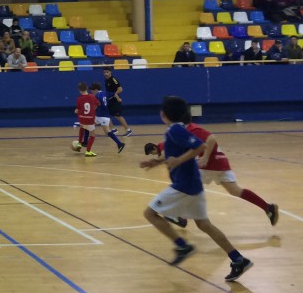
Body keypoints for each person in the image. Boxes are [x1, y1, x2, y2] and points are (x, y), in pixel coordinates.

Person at [138, 95, 253, 282]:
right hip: (193, 186)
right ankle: (238, 259)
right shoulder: (176, 130)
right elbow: (174, 152)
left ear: (163, 114)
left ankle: (182, 245)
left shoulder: (175, 130)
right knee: (204, 224)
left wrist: (178, 161)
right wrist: (156, 161)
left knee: (150, 213)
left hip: (184, 186)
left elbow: (200, 146)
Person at [144, 118, 278, 228]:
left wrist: (205, 157)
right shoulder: (182, 132)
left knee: (185, 186)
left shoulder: (192, 129)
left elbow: (211, 138)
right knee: (235, 191)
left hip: (209, 164)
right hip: (220, 162)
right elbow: (170, 154)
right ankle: (267, 207)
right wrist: (158, 162)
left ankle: (180, 217)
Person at [89, 81, 125, 152]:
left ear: (96, 89)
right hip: (103, 115)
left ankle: (120, 143)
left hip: (102, 116)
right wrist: (118, 99)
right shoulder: (105, 93)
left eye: (92, 90)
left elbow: (96, 105)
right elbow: (114, 94)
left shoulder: (97, 96)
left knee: (107, 131)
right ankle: (85, 142)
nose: (91, 92)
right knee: (89, 125)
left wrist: (91, 111)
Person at [73, 81, 101, 157]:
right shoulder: (92, 96)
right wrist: (93, 109)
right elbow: (98, 104)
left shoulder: (79, 99)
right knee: (92, 135)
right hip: (90, 119)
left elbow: (78, 109)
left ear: (79, 90)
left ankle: (79, 143)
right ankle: (88, 151)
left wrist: (76, 111)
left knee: (82, 127)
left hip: (82, 118)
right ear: (87, 88)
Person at [102, 68, 132, 136]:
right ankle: (113, 130)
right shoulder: (106, 80)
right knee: (106, 114)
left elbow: (120, 89)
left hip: (115, 100)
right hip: (109, 100)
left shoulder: (113, 80)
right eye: (104, 72)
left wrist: (115, 95)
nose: (105, 74)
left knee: (118, 116)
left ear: (110, 72)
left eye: (107, 72)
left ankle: (128, 130)